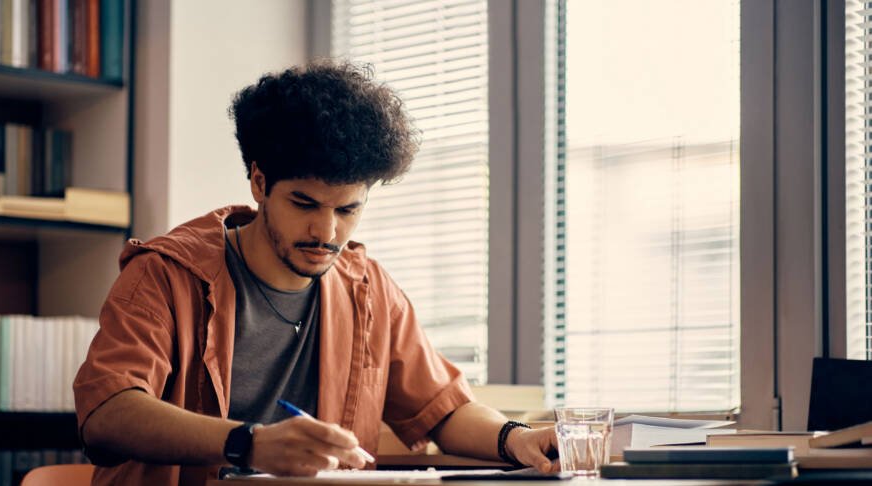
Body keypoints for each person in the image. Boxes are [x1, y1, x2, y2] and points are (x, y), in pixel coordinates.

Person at [73, 61, 558, 486]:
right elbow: (107, 412)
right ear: (260, 182)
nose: (326, 231)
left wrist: (517, 439)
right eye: (304, 203)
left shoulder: (369, 290)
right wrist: (249, 443)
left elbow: (443, 410)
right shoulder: (164, 274)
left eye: (347, 209)